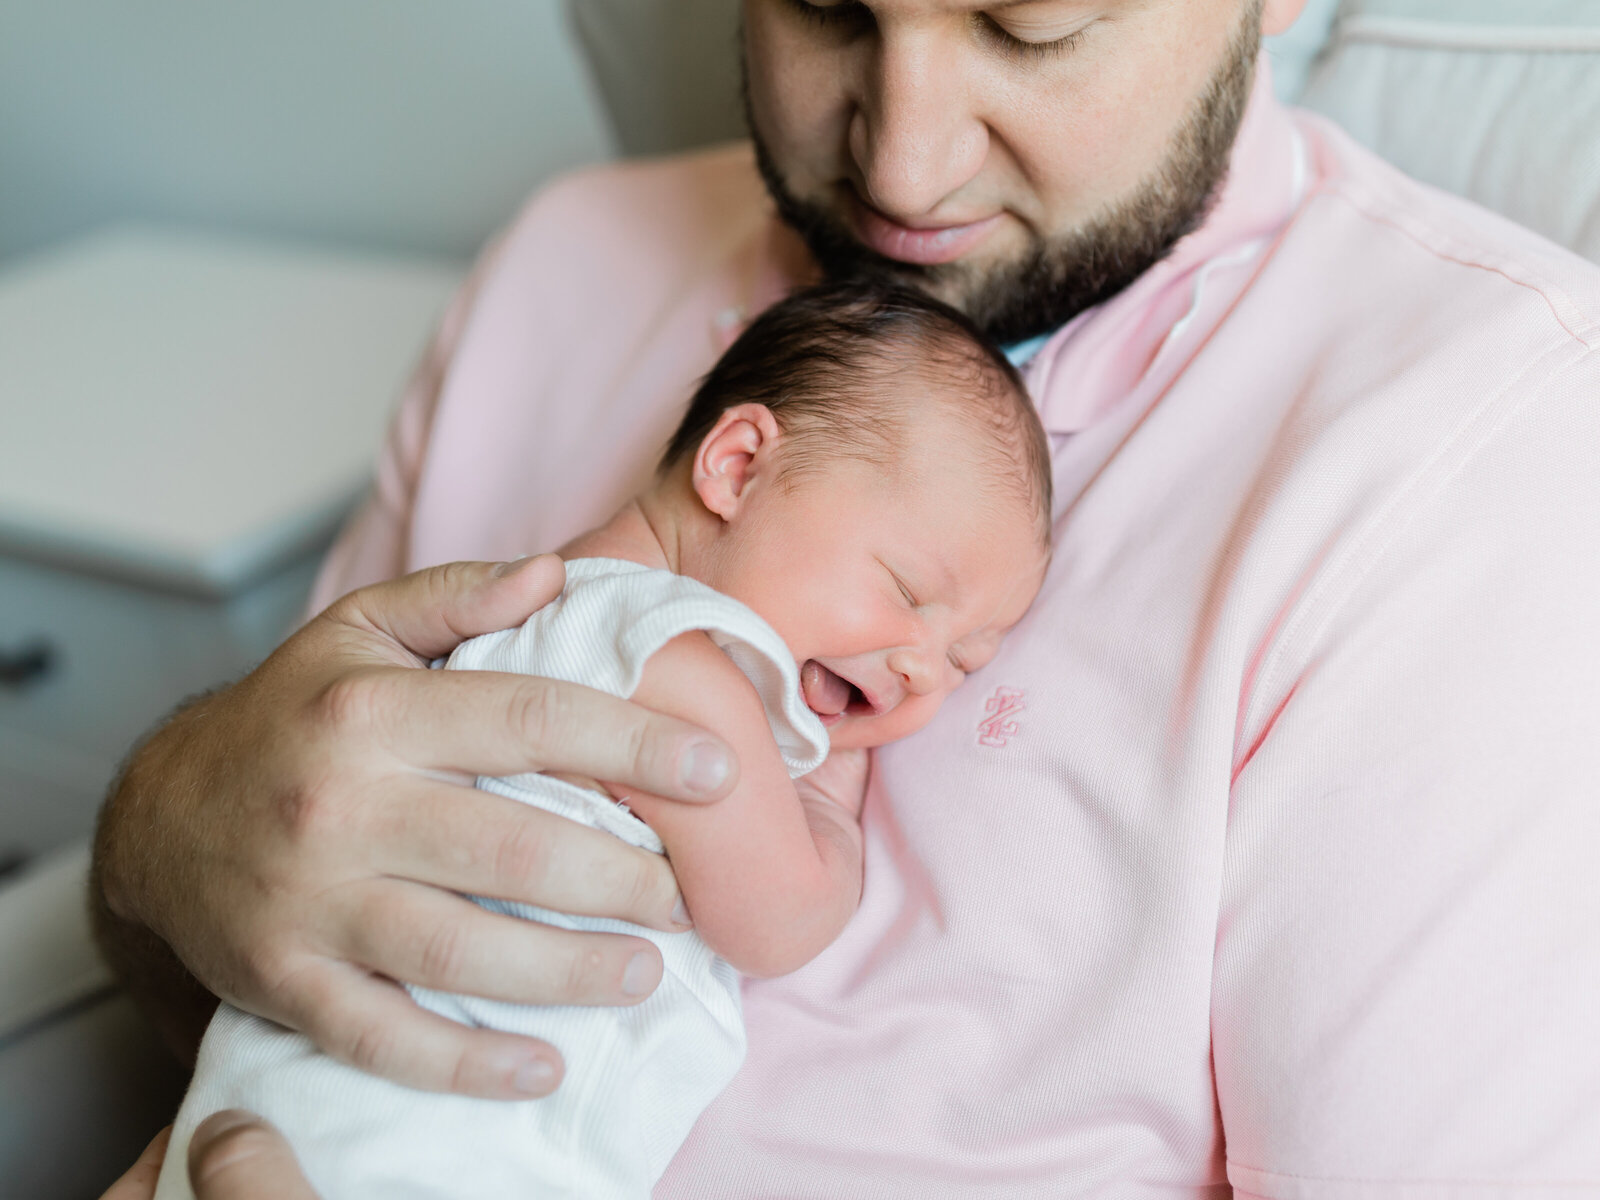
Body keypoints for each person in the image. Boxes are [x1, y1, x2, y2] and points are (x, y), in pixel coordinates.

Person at [94, 0, 1600, 1195]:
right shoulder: (560, 262)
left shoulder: (1479, 434)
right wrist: (164, 833)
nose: (903, 166)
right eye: (822, 8)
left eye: (1031, 27)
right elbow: (267, 946)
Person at [152, 282, 1051, 1199]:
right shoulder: (671, 664)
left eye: (966, 661)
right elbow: (778, 922)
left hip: (289, 1125)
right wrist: (827, 808)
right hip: (418, 1154)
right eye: (906, 591)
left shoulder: (530, 617)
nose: (924, 671)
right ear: (737, 467)